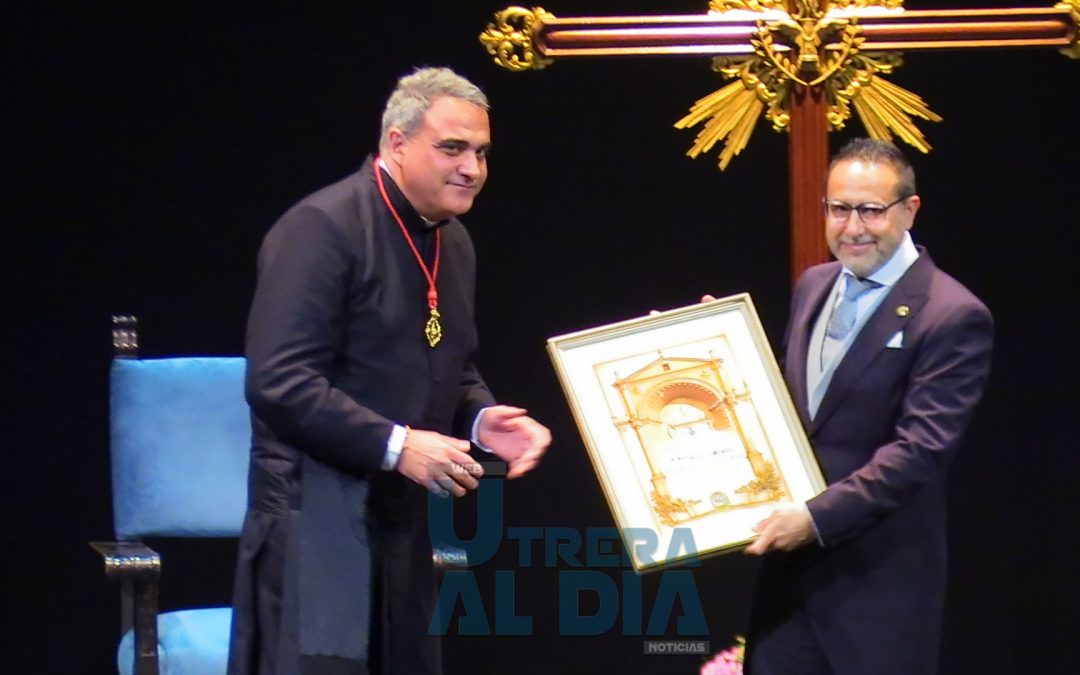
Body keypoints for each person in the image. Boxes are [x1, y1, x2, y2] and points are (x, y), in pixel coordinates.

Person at [227, 67, 551, 675]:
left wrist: (482, 420)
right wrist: (397, 445)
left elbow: (450, 366)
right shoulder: (320, 229)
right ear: (397, 145)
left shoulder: (452, 242)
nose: (472, 168)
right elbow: (278, 380)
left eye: (481, 152)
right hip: (313, 520)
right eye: (452, 148)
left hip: (401, 523)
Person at [741, 138, 994, 674]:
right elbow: (799, 411)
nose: (852, 227)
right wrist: (715, 351)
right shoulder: (813, 284)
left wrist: (813, 519)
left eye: (871, 210)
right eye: (838, 208)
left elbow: (918, 453)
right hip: (787, 591)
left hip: (877, 593)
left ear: (909, 210)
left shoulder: (952, 315)